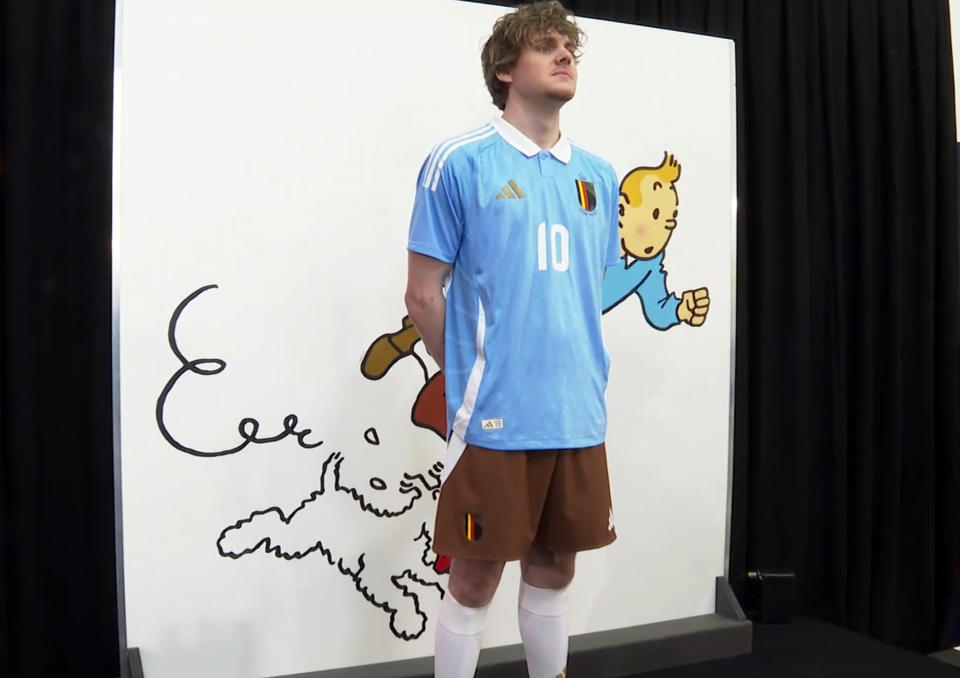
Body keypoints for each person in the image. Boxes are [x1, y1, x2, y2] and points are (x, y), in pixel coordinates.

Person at [404, 3, 620, 676]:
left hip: (577, 415)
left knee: (555, 569)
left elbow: (578, 299)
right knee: (473, 579)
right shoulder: (460, 162)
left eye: (570, 48)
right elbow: (421, 294)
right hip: (495, 420)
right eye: (546, 47)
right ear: (505, 69)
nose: (564, 56)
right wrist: (472, 372)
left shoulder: (600, 176)